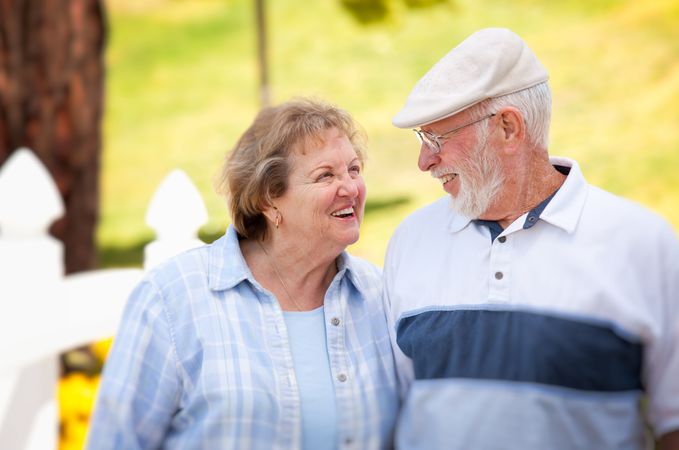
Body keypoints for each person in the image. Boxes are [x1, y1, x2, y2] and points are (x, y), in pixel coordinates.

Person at [384, 27, 679, 450]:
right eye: (420, 139)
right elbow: (394, 409)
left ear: (508, 128)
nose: (424, 161)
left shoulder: (642, 244)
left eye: (437, 138)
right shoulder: (410, 241)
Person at [87, 98, 398, 449]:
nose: (351, 188)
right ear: (269, 199)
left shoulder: (379, 295)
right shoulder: (173, 298)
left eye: (354, 170)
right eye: (326, 175)